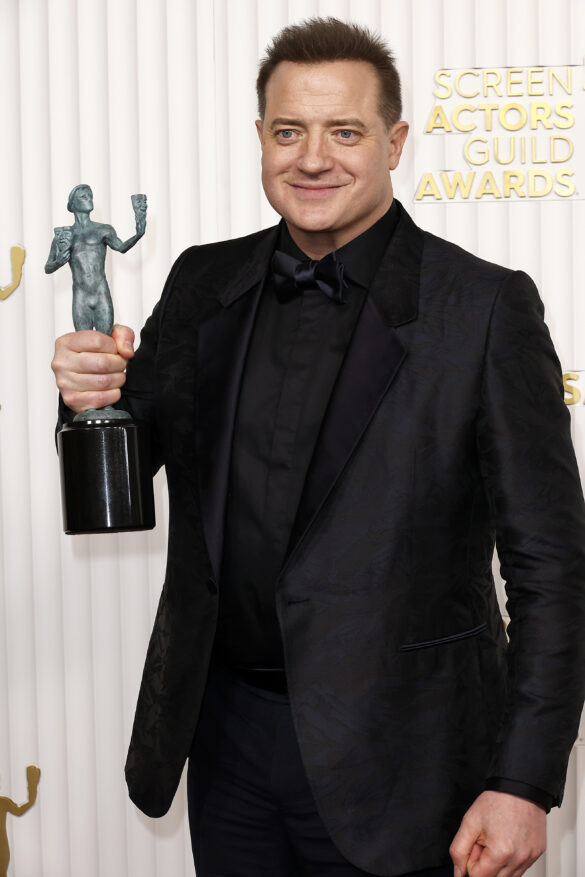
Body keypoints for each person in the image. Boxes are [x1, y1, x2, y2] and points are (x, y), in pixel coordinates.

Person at [51, 17, 585, 877]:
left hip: (406, 758)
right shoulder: (201, 281)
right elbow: (126, 447)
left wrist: (522, 780)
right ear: (260, 139)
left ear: (393, 143)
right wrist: (86, 394)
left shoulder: (483, 308)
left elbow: (551, 569)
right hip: (224, 740)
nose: (311, 159)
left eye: (344, 132)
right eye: (288, 131)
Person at [45, 184, 146, 335]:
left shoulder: (103, 229)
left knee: (105, 342)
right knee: (84, 343)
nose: (89, 199)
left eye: (90, 196)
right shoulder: (64, 236)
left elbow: (121, 247)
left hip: (100, 292)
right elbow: (48, 267)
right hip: (80, 295)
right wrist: (58, 262)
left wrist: (138, 234)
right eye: (84, 197)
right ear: (73, 205)